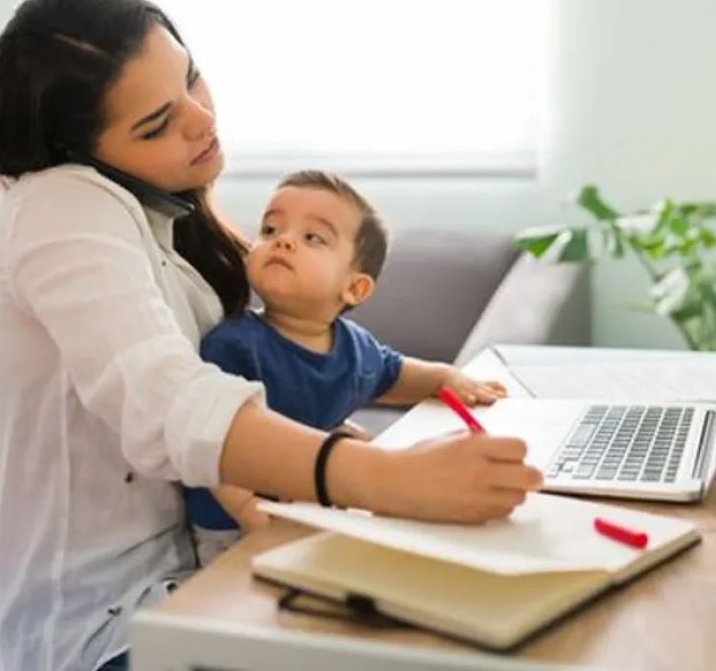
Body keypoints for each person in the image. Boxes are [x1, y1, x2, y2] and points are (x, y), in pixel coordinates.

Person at [0, 0, 543, 671]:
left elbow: (290, 374)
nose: (200, 119)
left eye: (191, 78)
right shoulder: (60, 207)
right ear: (81, 152)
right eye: (156, 124)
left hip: (219, 571)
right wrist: (378, 477)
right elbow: (166, 399)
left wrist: (330, 440)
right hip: (108, 630)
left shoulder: (163, 219)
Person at [185, 170, 508, 564]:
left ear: (354, 288)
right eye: (270, 229)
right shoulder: (233, 343)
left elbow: (397, 375)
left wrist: (447, 378)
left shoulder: (354, 347)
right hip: (232, 525)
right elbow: (217, 441)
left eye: (312, 238)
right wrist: (247, 511)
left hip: (319, 504)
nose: (282, 240)